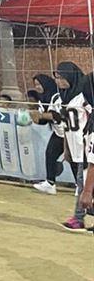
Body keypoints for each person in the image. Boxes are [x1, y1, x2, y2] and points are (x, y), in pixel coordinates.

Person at [53, 61, 92, 233]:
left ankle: (78, 218)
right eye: (57, 77)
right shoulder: (63, 97)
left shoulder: (84, 96)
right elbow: (65, 125)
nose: (59, 81)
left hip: (86, 145)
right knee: (82, 183)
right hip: (74, 146)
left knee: (83, 184)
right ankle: (79, 217)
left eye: (61, 77)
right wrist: (66, 147)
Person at [32, 72, 64, 194]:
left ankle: (80, 185)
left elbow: (58, 116)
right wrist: (35, 119)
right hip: (58, 133)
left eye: (39, 84)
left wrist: (41, 115)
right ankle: (50, 183)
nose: (37, 87)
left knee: (74, 160)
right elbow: (44, 121)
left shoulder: (57, 97)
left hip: (69, 133)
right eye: (35, 85)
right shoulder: (42, 99)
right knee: (50, 154)